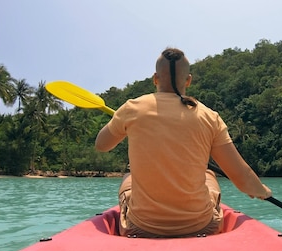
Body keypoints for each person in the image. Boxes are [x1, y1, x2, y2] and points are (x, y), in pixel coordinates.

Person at [95, 48, 272, 238]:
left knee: (129, 178)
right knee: (209, 174)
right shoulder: (209, 116)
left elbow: (102, 145)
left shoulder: (132, 108)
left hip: (141, 227)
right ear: (188, 80)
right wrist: (261, 190)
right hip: (201, 226)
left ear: (155, 79)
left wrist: (121, 121)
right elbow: (241, 176)